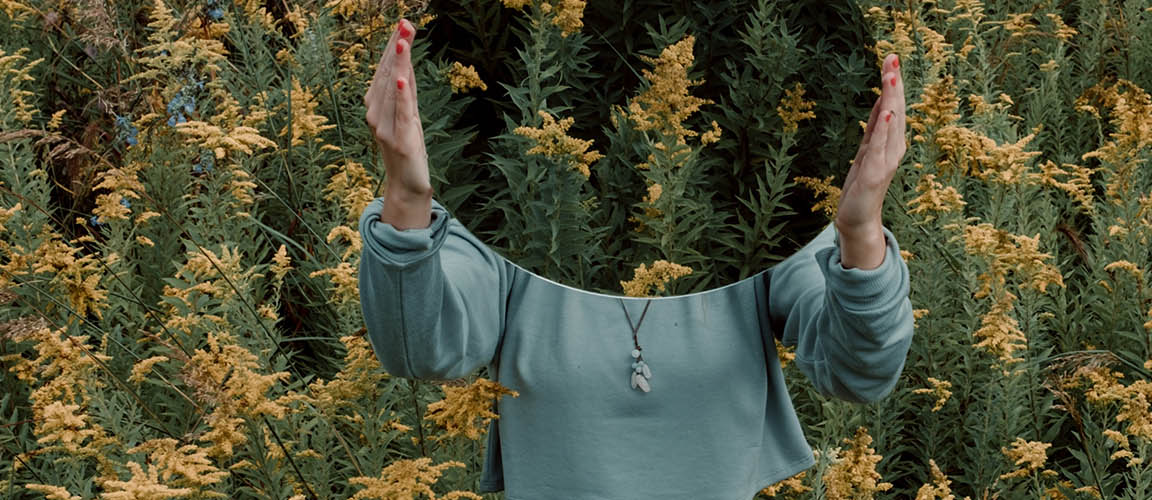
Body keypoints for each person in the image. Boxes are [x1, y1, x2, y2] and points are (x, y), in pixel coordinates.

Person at [358, 17, 913, 500]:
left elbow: (857, 372)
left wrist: (860, 231)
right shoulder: (510, 202)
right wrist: (405, 199)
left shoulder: (761, 217)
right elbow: (424, 351)